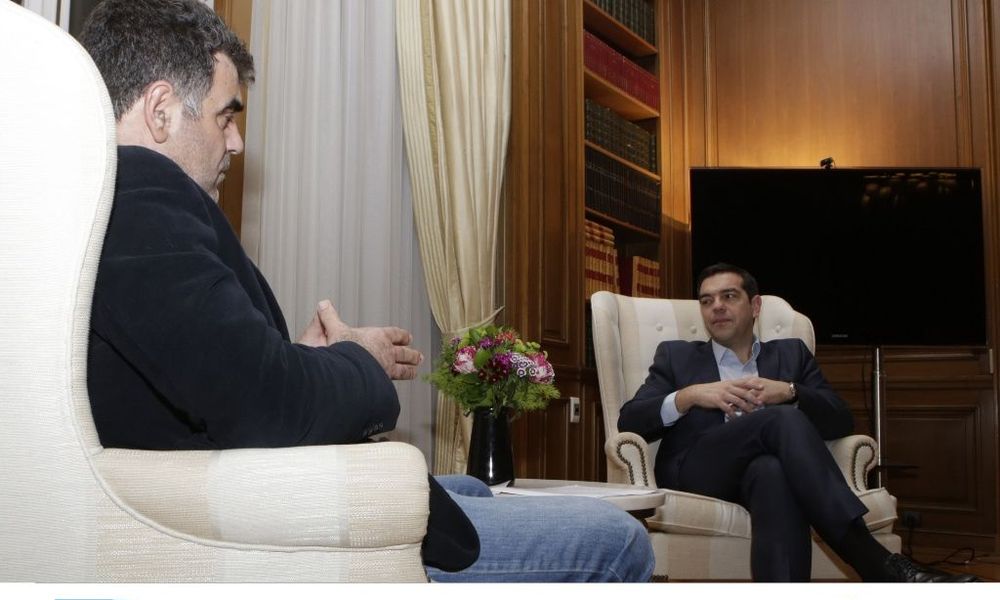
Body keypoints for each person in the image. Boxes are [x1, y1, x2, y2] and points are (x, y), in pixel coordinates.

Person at [79, 0, 652, 583]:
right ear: (160, 110)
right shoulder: (141, 197)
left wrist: (305, 360)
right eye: (226, 117)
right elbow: (266, 404)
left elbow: (217, 379)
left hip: (243, 490)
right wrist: (362, 359)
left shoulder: (104, 204)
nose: (237, 142)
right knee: (619, 540)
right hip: (269, 523)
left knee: (473, 489)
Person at [618, 262, 977, 582]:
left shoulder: (791, 354)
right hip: (699, 470)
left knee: (772, 471)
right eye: (707, 300)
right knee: (779, 420)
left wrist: (790, 391)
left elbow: (840, 420)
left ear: (755, 306)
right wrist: (691, 395)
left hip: (762, 473)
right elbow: (630, 419)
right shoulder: (677, 355)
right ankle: (872, 559)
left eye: (729, 296)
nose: (717, 307)